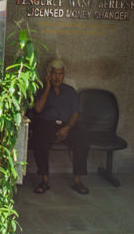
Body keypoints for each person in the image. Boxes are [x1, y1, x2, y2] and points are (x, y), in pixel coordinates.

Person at [29, 59, 90, 195]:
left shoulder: (70, 91)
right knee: (39, 140)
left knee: (82, 139)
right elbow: (38, 109)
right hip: (47, 124)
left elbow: (75, 112)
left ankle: (77, 181)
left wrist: (68, 127)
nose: (58, 77)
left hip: (67, 125)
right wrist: (48, 88)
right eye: (54, 74)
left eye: (61, 74)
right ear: (49, 74)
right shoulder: (41, 89)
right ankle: (44, 181)